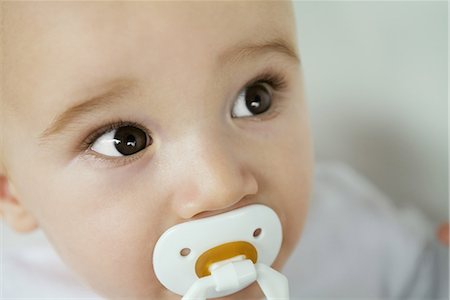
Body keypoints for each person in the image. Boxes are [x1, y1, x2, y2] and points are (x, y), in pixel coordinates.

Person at [0, 1, 447, 299]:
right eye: (125, 140)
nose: (221, 185)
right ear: (14, 193)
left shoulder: (348, 234)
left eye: (255, 98)